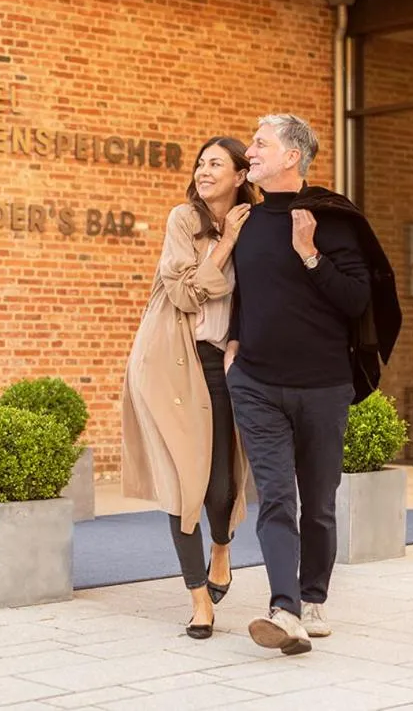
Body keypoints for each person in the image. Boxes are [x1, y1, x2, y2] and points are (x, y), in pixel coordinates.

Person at [225, 114, 400, 656]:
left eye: (260, 143)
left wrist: (310, 253)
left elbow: (356, 300)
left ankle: (314, 596)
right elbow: (242, 293)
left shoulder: (331, 219)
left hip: (323, 386)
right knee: (275, 497)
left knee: (319, 502)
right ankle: (285, 609)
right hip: (255, 383)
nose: (249, 150)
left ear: (292, 156)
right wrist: (233, 349)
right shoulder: (245, 220)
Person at [122, 136, 257, 640]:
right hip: (170, 361)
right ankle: (198, 597)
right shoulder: (184, 219)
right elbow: (181, 292)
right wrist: (224, 246)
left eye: (216, 163)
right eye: (200, 163)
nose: (204, 171)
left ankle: (221, 546)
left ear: (241, 176)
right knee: (186, 485)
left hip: (220, 361)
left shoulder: (256, 227)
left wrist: (243, 340)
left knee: (223, 484)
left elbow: (258, 299)